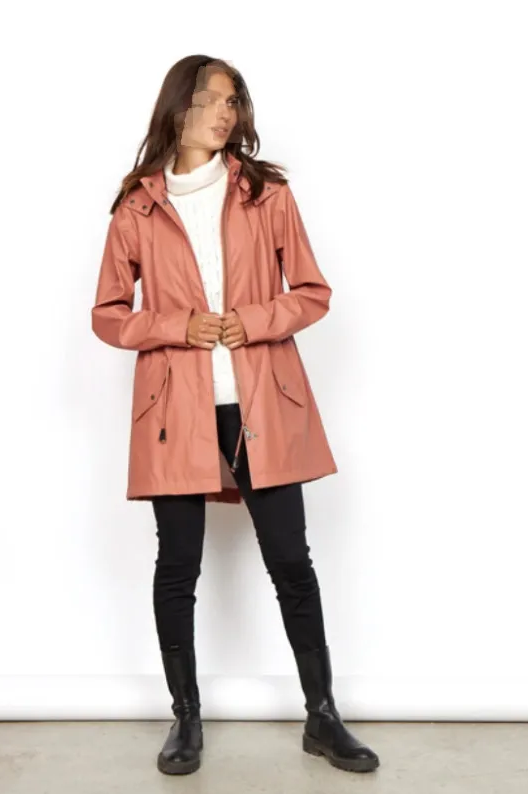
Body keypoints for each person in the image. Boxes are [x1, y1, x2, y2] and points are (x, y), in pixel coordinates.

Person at [91, 55, 379, 775]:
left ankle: (322, 715)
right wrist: (174, 326)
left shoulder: (265, 193)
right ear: (178, 106)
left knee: (291, 561)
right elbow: (107, 314)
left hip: (261, 404)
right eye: (214, 100)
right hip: (173, 410)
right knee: (176, 566)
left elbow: (311, 292)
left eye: (234, 102)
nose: (227, 113)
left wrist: (251, 320)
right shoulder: (137, 207)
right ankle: (184, 719)